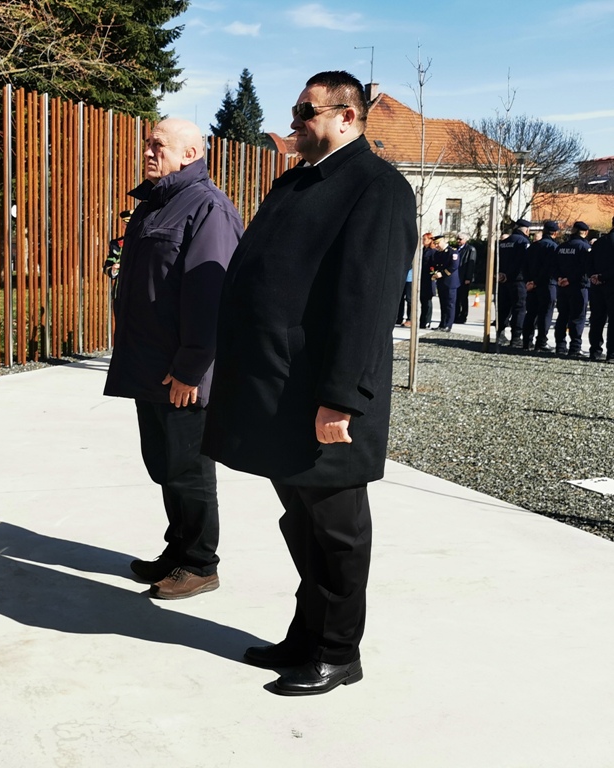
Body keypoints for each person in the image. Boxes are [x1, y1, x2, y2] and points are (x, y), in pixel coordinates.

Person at [202, 71, 416, 696]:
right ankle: (306, 635)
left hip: (324, 393)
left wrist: (340, 399)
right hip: (279, 387)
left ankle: (338, 651)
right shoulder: (298, 180)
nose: (294, 121)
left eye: (306, 110)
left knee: (336, 530)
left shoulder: (376, 188)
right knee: (300, 522)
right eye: (295, 109)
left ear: (348, 116)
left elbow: (366, 303)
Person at [103, 118, 243, 600]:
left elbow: (211, 297)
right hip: (148, 365)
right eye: (147, 143)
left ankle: (201, 563)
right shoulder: (154, 204)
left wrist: (190, 369)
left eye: (158, 145)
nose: (148, 151)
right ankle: (178, 550)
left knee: (189, 469)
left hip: (180, 372)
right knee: (164, 464)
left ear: (189, 153)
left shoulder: (208, 207)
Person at [554, 221, 592, 358]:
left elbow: (554, 265)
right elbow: (585, 268)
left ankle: (560, 346)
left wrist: (560, 278)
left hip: (562, 287)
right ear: (585, 232)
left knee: (562, 316)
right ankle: (575, 348)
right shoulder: (584, 247)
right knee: (577, 317)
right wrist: (570, 279)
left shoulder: (561, 247)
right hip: (578, 287)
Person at [522, 220, 560, 351]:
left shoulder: (533, 247)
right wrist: (537, 282)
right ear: (555, 233)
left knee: (531, 313)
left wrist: (529, 281)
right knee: (545, 314)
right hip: (547, 284)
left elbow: (525, 266)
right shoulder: (553, 247)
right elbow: (549, 268)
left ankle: (526, 342)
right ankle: (541, 343)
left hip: (531, 285)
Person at [496, 219, 530, 347]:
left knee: (503, 308)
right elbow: (522, 263)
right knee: (519, 309)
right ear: (526, 230)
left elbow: (497, 260)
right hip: (518, 281)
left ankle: (500, 335)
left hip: (502, 280)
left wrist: (501, 274)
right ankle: (515, 337)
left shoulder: (503, 242)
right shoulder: (523, 242)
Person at [587, 217, 614, 362]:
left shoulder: (599, 242)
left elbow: (589, 262)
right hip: (611, 283)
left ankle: (595, 351)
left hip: (597, 286)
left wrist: (594, 276)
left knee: (597, 319)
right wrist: (603, 276)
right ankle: (612, 353)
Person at [104, 208, 133, 307]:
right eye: (126, 225)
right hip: (121, 292)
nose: (129, 228)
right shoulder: (116, 244)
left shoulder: (144, 243)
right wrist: (113, 270)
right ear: (123, 225)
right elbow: (107, 266)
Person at [432, 235, 460, 331]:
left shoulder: (452, 252)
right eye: (435, 244)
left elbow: (454, 266)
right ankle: (442, 324)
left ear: (443, 241)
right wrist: (434, 272)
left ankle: (448, 325)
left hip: (450, 282)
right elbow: (436, 265)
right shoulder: (438, 253)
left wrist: (442, 274)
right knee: (443, 304)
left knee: (449, 304)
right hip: (441, 282)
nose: (436, 246)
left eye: (438, 243)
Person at [454, 233, 477, 324]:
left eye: (460, 239)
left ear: (465, 239)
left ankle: (463, 316)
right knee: (456, 298)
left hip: (464, 277)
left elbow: (471, 264)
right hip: (457, 276)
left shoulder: (470, 249)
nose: (458, 241)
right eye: (457, 239)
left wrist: (468, 277)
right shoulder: (456, 249)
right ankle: (456, 315)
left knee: (463, 298)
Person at [419, 232, 437, 329]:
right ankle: (422, 321)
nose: (423, 241)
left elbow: (433, 265)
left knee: (427, 301)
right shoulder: (422, 250)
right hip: (422, 278)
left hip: (429, 279)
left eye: (425, 239)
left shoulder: (432, 251)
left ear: (430, 240)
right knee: (423, 301)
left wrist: (432, 274)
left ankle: (427, 321)